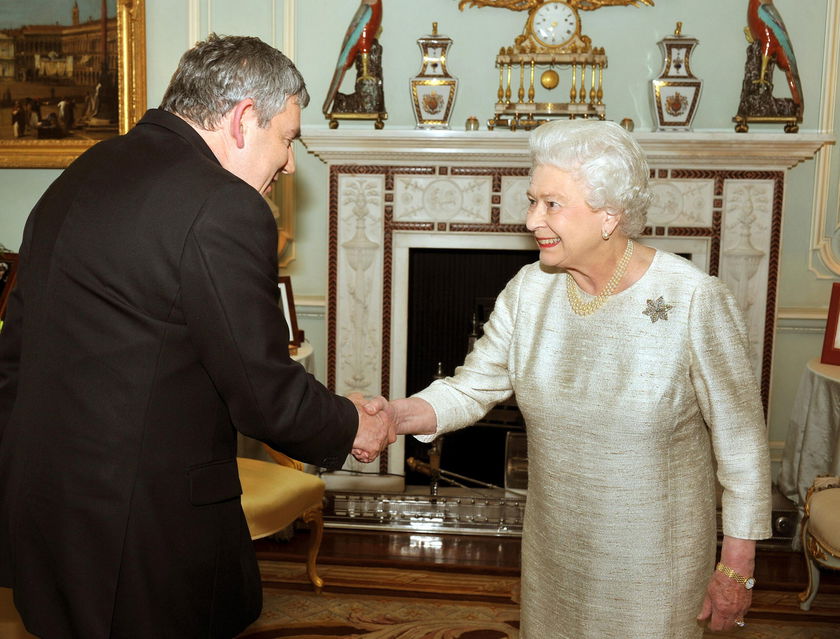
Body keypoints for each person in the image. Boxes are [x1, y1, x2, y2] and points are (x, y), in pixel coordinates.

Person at [0, 34, 394, 639]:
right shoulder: (223, 206)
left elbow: (15, 360)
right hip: (141, 538)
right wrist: (354, 424)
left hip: (46, 511)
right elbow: (264, 393)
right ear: (242, 120)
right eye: (287, 138)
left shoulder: (81, 173)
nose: (291, 163)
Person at [367, 119, 772, 638]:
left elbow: (742, 441)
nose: (532, 218)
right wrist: (391, 418)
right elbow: (472, 387)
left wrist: (737, 565)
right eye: (532, 200)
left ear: (610, 215)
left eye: (551, 204)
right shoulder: (530, 290)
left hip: (654, 565)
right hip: (555, 553)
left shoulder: (692, 299)